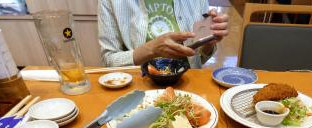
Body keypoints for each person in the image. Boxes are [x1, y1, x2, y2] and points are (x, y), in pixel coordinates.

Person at [98, 0, 229, 68]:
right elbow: (108, 60)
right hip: (138, 88)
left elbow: (198, 60)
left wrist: (208, 43)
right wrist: (151, 49)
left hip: (188, 84)